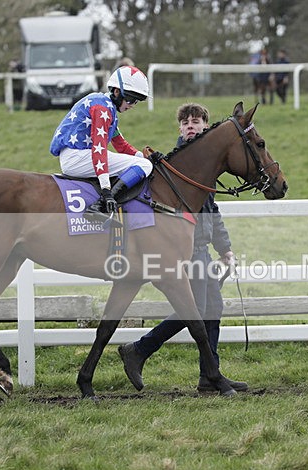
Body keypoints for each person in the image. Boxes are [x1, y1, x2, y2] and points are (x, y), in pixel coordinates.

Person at [118, 102, 248, 394]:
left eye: (197, 121)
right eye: (186, 122)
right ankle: (139, 349)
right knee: (196, 310)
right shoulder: (176, 163)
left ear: (205, 126)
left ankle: (209, 375)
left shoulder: (207, 163)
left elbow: (211, 211)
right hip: (183, 248)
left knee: (213, 307)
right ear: (180, 129)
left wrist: (224, 248)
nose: (191, 125)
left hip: (201, 246)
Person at [49, 65, 152, 216]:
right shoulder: (102, 109)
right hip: (78, 157)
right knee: (144, 166)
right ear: (117, 92)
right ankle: (101, 206)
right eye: (130, 99)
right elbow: (100, 148)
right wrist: (106, 191)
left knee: (144, 162)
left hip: (77, 156)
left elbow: (121, 145)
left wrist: (146, 156)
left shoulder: (105, 105)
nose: (132, 105)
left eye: (137, 101)